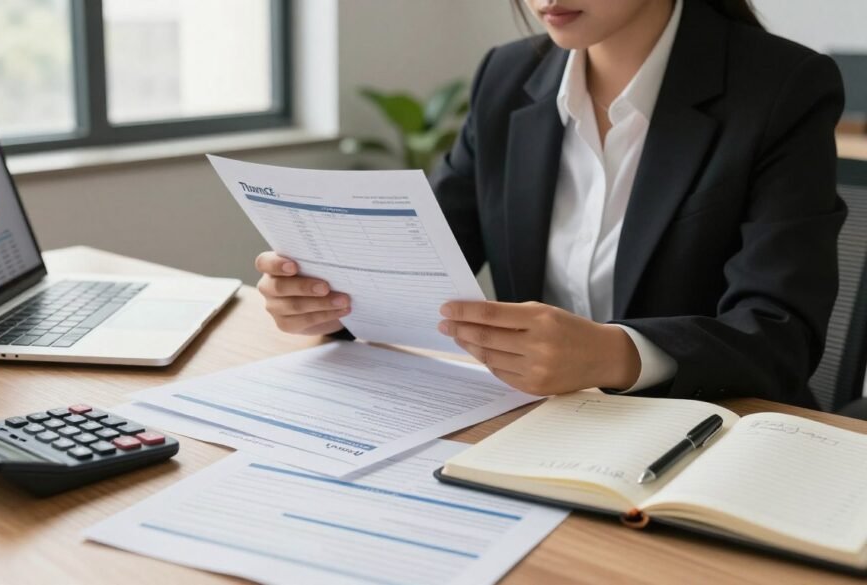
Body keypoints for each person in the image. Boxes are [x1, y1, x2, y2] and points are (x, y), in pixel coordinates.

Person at [254, 0, 846, 408]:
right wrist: (331, 301)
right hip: (541, 425)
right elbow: (421, 258)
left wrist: (613, 355)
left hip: (710, 433)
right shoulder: (507, 76)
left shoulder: (783, 86)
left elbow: (779, 336)